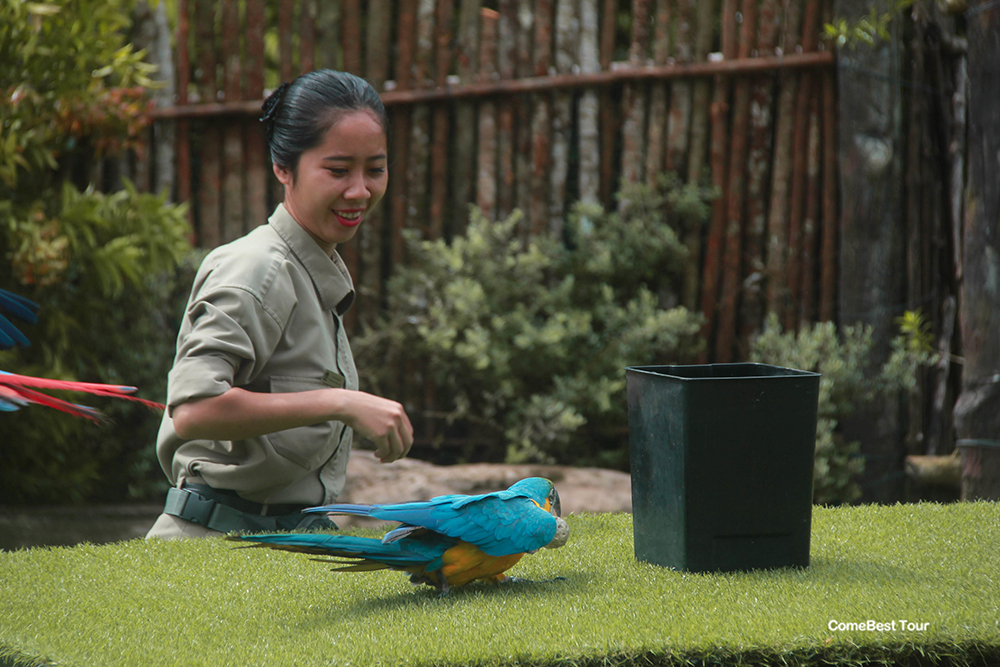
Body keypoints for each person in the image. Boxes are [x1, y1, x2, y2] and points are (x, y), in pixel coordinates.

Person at [146, 70, 413, 539]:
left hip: (276, 536)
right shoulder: (258, 269)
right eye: (338, 170)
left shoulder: (312, 268)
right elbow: (194, 410)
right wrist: (342, 403)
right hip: (215, 541)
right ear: (283, 168)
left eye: (375, 169)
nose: (359, 190)